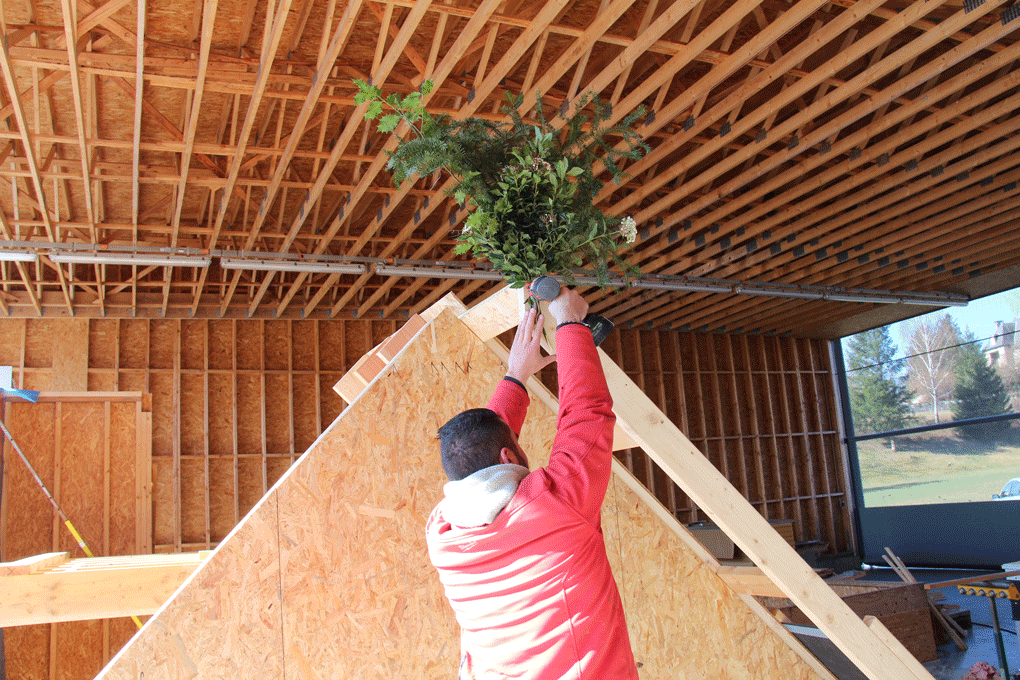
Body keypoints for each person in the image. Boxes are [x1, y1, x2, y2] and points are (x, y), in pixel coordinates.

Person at [426, 287, 638, 679]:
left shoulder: (442, 534)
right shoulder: (557, 509)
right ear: (508, 456)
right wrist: (570, 321)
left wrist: (516, 375)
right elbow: (586, 415)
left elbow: (481, 453)